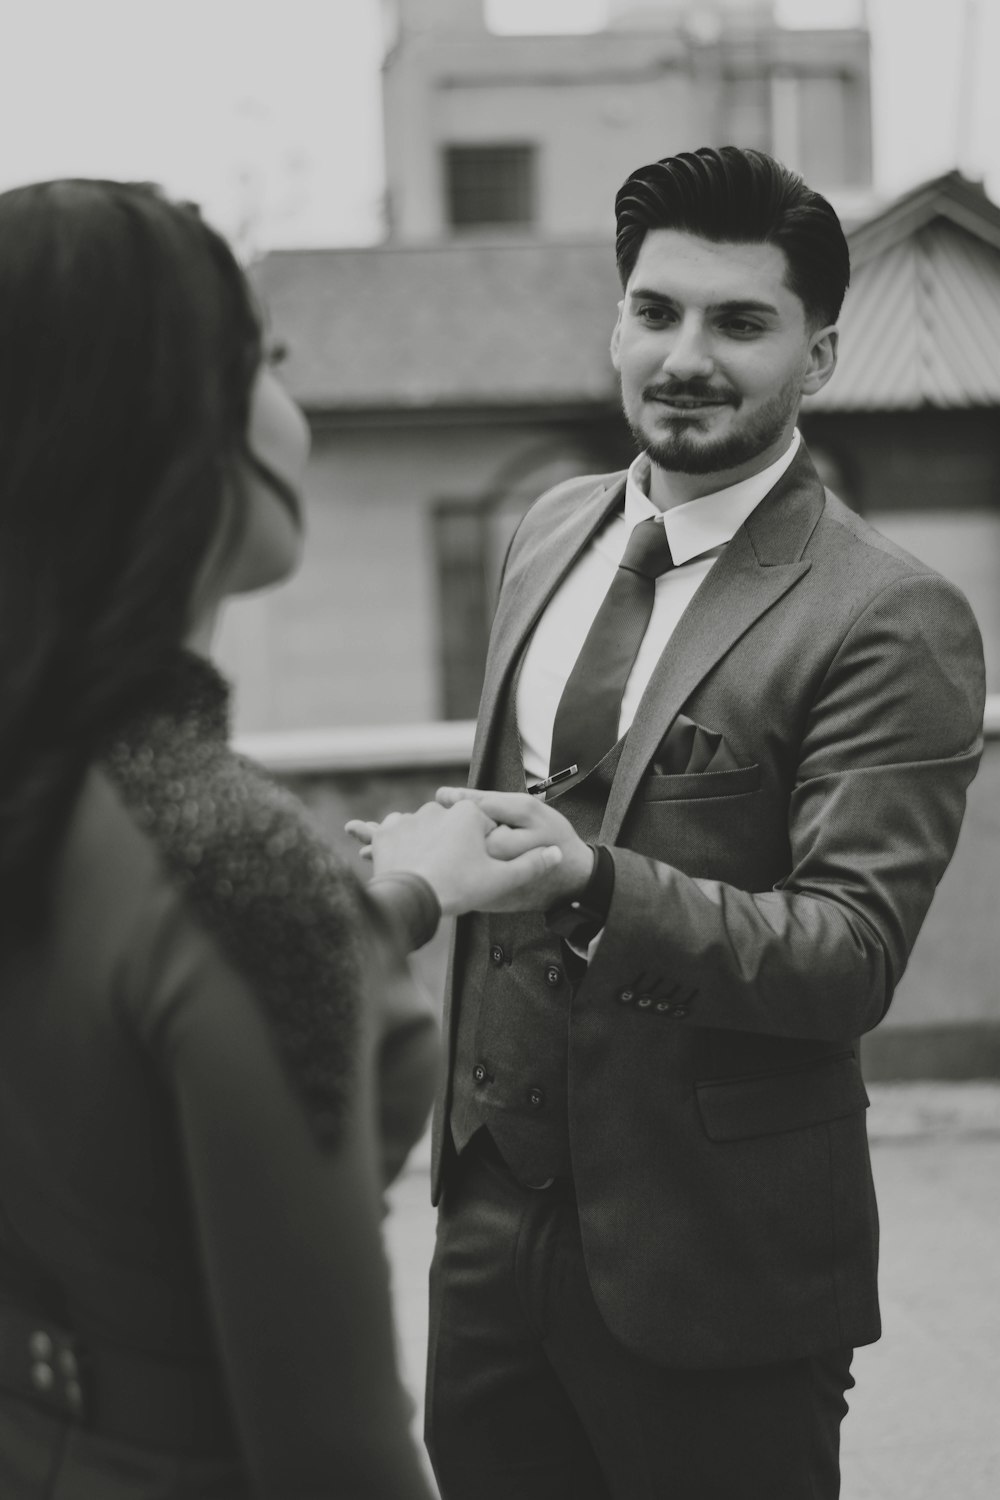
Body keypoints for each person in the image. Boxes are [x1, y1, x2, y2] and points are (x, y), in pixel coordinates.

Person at [351, 147, 987, 1499]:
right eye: (656, 311)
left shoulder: (892, 614)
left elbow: (848, 957)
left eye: (739, 323)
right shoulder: (550, 528)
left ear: (818, 357)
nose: (685, 356)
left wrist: (590, 885)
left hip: (719, 1260)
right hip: (485, 1220)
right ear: (617, 320)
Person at [0, 178, 560, 1500]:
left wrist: (404, 892)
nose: (292, 413)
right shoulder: (238, 871)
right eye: (274, 363)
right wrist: (332, 915)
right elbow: (335, 1456)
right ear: (183, 424)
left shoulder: (59, 794)